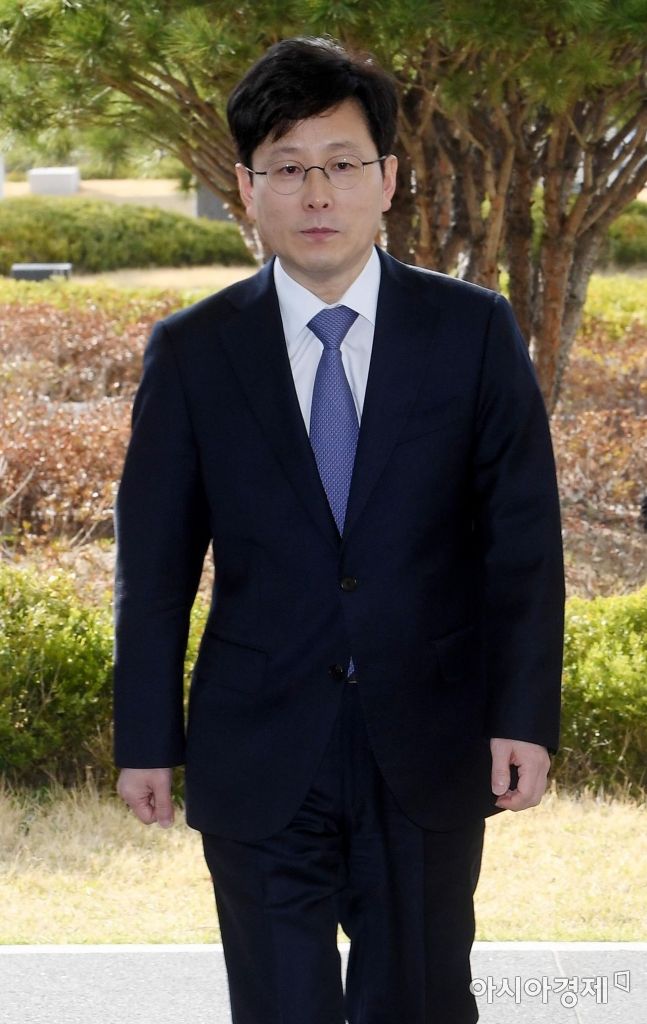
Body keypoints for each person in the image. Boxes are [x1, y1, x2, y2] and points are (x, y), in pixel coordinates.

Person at [114, 36, 564, 1024]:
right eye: (286, 167)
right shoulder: (192, 352)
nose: (316, 192)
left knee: (421, 1003)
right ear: (247, 188)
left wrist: (524, 715)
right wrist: (146, 738)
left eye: (342, 163)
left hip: (428, 743)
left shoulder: (471, 331)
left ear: (386, 179)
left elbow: (523, 548)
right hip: (257, 745)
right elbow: (153, 567)